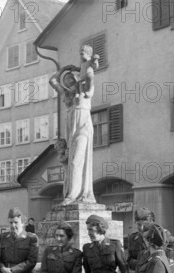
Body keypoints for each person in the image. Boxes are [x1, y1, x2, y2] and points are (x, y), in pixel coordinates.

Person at [49, 45, 98, 205]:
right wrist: (64, 69)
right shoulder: (66, 94)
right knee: (71, 161)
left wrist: (89, 66)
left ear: (77, 79)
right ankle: (73, 194)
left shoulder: (84, 88)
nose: (69, 81)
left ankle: (73, 195)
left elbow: (90, 79)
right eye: (67, 79)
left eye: (72, 78)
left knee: (77, 160)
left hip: (83, 124)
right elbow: (52, 81)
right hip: (71, 127)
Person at [127, 207, 174, 271]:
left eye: (144, 224)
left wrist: (166, 263)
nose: (141, 228)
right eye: (138, 224)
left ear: (151, 223)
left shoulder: (163, 236)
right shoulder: (132, 239)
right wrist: (139, 264)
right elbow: (129, 260)